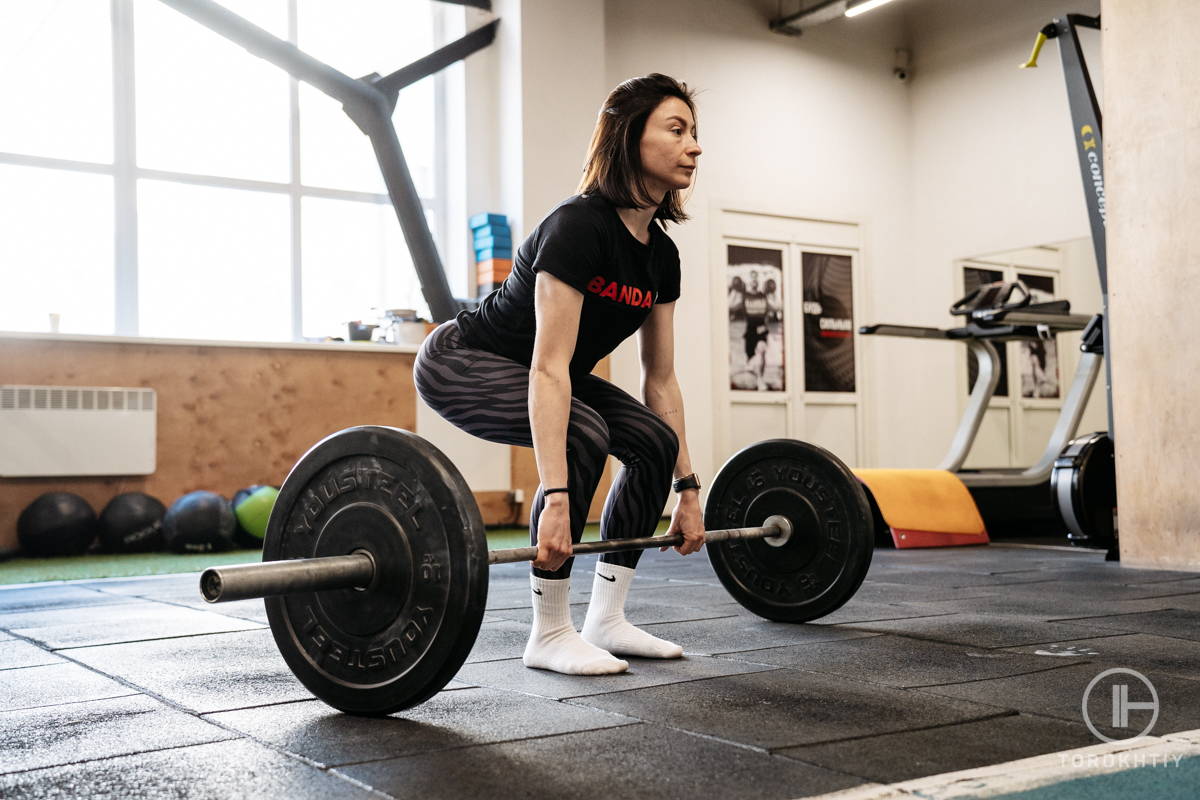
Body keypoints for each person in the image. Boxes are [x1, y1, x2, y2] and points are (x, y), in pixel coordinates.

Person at [413, 74, 705, 676]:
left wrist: (688, 489)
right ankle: (547, 631)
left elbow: (661, 381)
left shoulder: (661, 255)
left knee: (652, 439)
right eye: (676, 130)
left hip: (546, 372)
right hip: (462, 361)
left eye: (695, 133)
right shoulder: (578, 227)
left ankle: (608, 617)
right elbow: (548, 368)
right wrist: (558, 500)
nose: (694, 147)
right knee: (585, 431)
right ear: (629, 137)